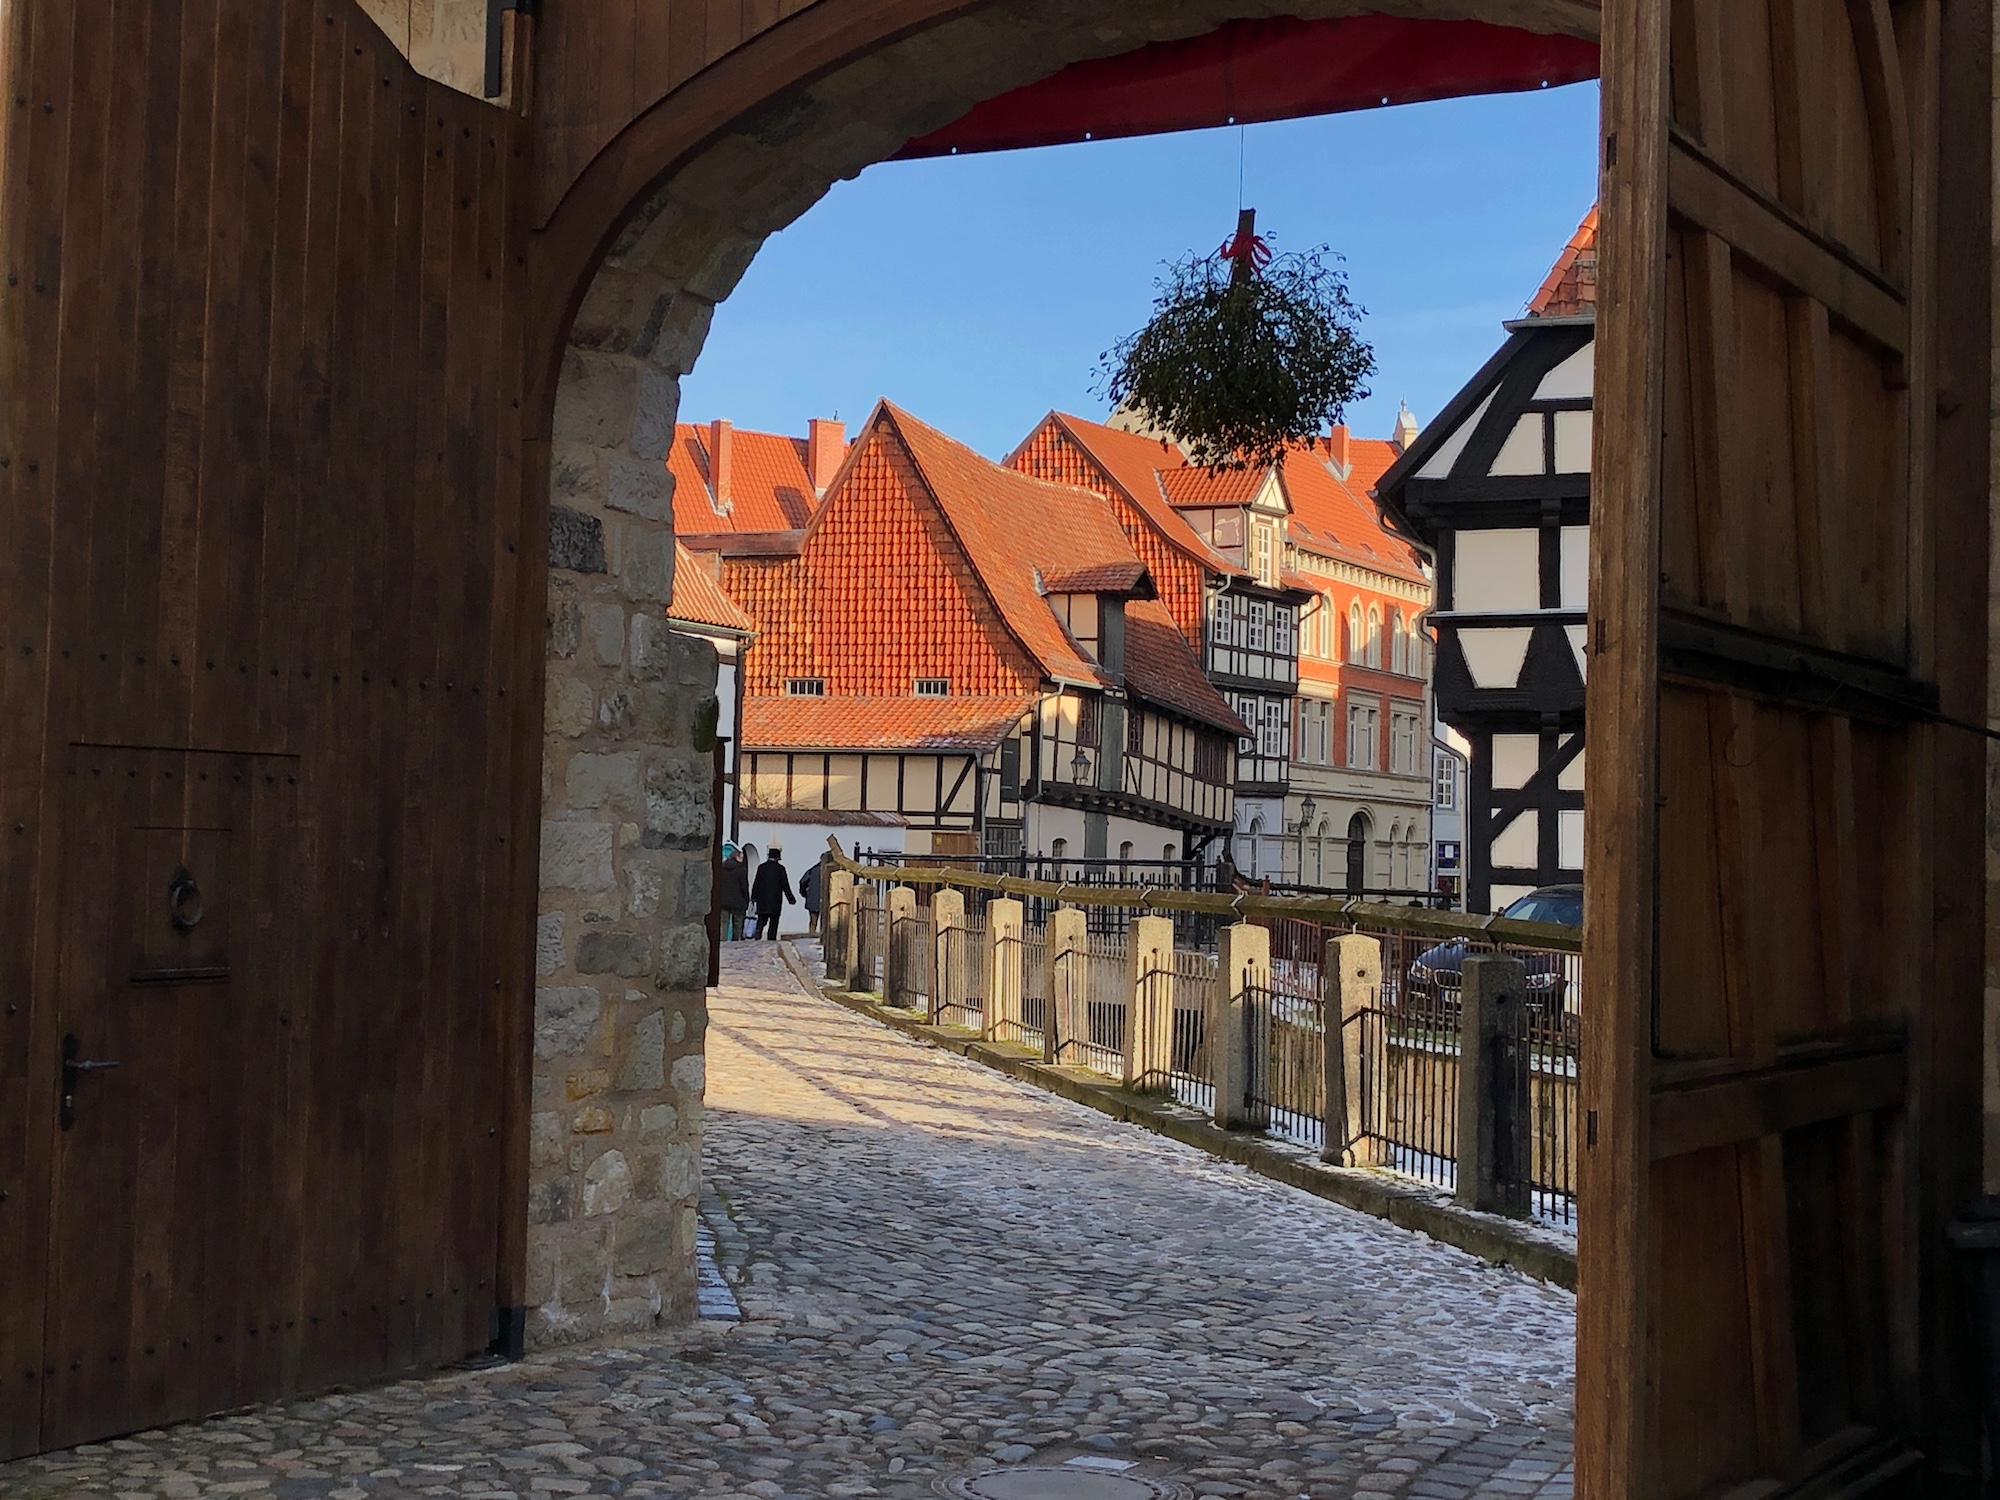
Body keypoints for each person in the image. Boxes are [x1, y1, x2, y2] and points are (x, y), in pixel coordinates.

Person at [750, 845, 795, 941]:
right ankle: (771, 938)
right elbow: (785, 885)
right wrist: (791, 898)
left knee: (761, 919)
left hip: (762, 900)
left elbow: (756, 882)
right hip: (775, 900)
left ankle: (758, 933)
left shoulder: (761, 868)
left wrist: (753, 897)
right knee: (774, 921)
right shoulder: (780, 869)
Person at [718, 843, 750, 941]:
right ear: (737, 857)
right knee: (737, 924)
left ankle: (722, 941)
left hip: (723, 901)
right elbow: (744, 886)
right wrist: (746, 900)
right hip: (738, 901)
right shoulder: (741, 870)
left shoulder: (721, 869)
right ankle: (735, 943)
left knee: (723, 924)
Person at [800, 858, 822, 937]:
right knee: (827, 922)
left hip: (813, 898)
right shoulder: (834, 871)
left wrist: (805, 894)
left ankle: (811, 935)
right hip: (827, 900)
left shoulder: (812, 870)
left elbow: (803, 882)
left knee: (813, 921)